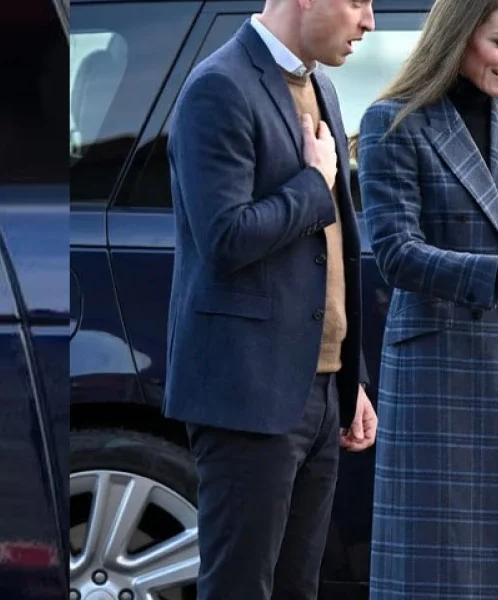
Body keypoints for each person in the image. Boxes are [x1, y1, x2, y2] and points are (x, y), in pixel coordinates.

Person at [355, 0, 498, 597]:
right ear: (459, 37)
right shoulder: (393, 122)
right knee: (434, 567)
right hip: (435, 369)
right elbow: (396, 255)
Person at [160, 1, 377, 598]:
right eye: (359, 1)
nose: (369, 21)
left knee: (295, 588)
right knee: (239, 588)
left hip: (321, 387)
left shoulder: (320, 86)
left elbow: (337, 249)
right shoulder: (218, 87)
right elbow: (224, 239)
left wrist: (349, 375)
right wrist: (313, 184)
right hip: (247, 393)